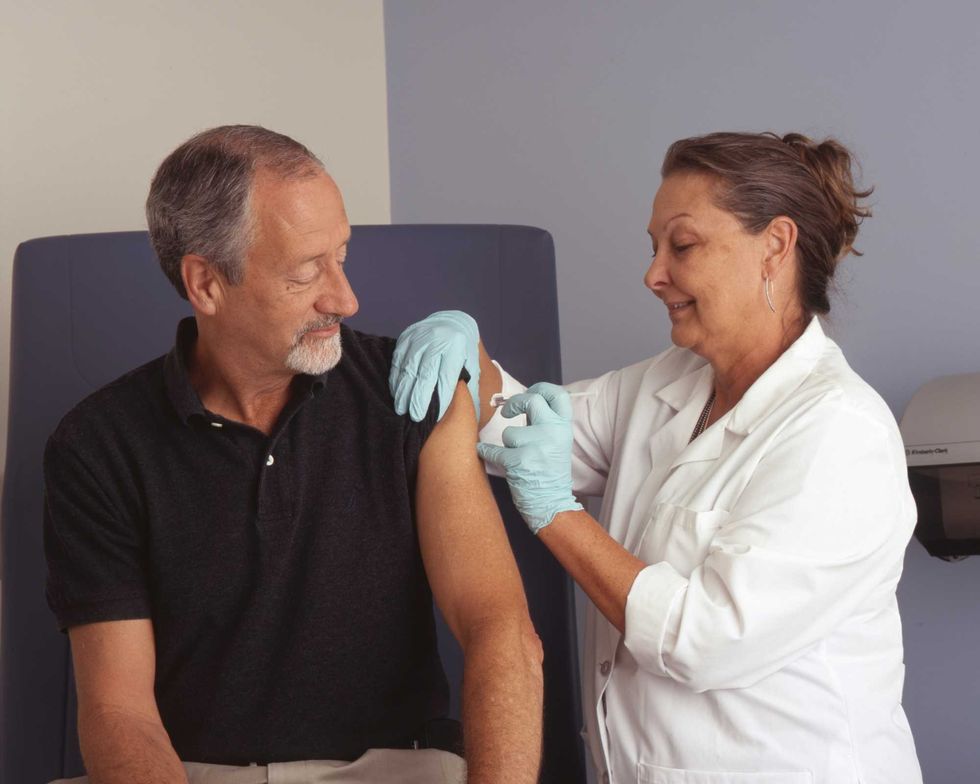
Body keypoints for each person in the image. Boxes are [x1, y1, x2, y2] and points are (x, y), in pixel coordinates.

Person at [390, 132, 923, 783]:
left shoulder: (839, 434)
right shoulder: (666, 384)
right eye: (653, 247)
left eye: (683, 245)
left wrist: (557, 513)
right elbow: (523, 427)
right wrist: (468, 355)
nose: (653, 274)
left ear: (775, 247)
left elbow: (704, 639)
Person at [43, 125, 543, 784]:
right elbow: (119, 712)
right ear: (206, 284)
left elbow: (499, 631)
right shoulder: (99, 445)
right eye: (308, 270)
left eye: (342, 255)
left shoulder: (413, 393)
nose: (345, 298)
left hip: (392, 769)